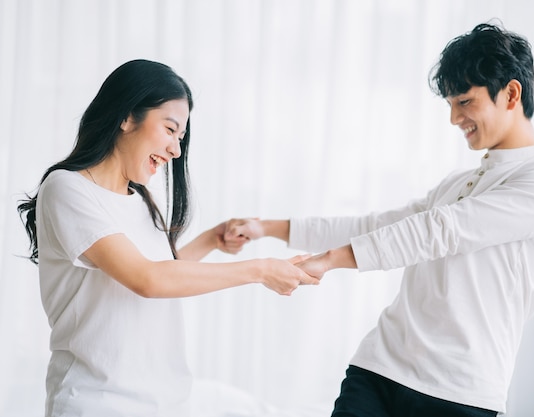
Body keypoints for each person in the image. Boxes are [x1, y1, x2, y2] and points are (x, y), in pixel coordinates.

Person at [224, 23, 534, 416]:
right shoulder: (459, 182)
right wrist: (267, 228)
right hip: (380, 366)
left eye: (464, 101)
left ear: (511, 93)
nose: (453, 118)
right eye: (450, 104)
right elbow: (378, 225)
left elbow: (441, 231)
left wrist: (328, 261)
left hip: (457, 392)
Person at [17, 59, 318, 417]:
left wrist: (211, 239)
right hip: (97, 402)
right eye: (170, 129)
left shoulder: (141, 198)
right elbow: (146, 279)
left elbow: (164, 273)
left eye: (181, 137)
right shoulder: (68, 188)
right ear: (127, 117)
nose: (176, 149)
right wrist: (261, 270)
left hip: (164, 402)